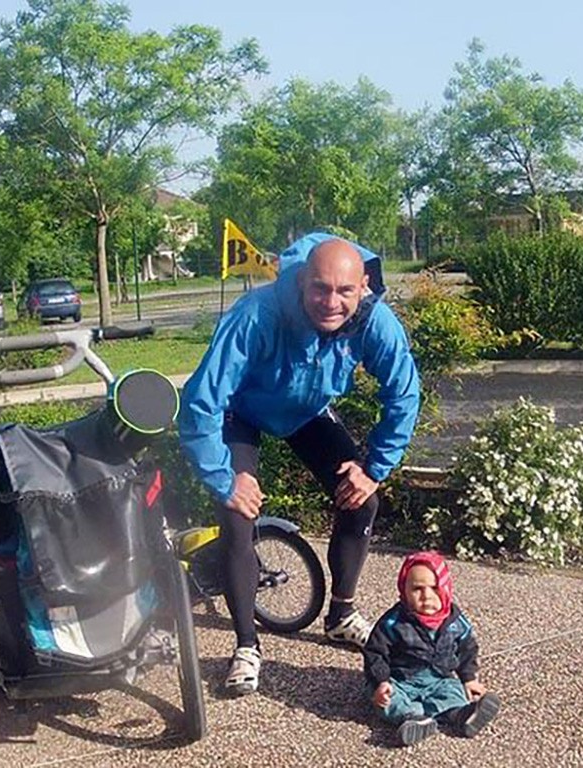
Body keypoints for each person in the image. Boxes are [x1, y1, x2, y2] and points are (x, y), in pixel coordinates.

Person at [178, 232, 420, 695]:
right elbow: (201, 401)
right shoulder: (257, 314)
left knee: (361, 501)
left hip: (307, 412)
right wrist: (224, 477)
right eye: (320, 288)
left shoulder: (375, 321)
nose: (331, 302)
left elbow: (403, 393)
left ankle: (341, 614)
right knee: (236, 515)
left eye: (344, 291)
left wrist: (374, 469)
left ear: (363, 285)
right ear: (303, 281)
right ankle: (247, 644)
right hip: (240, 412)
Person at [362, 551, 501, 746]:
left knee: (454, 690)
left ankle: (461, 715)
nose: (427, 596)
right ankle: (411, 718)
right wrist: (381, 681)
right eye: (417, 589)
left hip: (438, 678)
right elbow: (375, 653)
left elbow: (467, 649)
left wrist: (469, 679)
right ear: (404, 590)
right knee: (386, 699)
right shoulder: (393, 622)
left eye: (435, 588)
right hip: (400, 680)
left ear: (446, 588)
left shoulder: (455, 621)